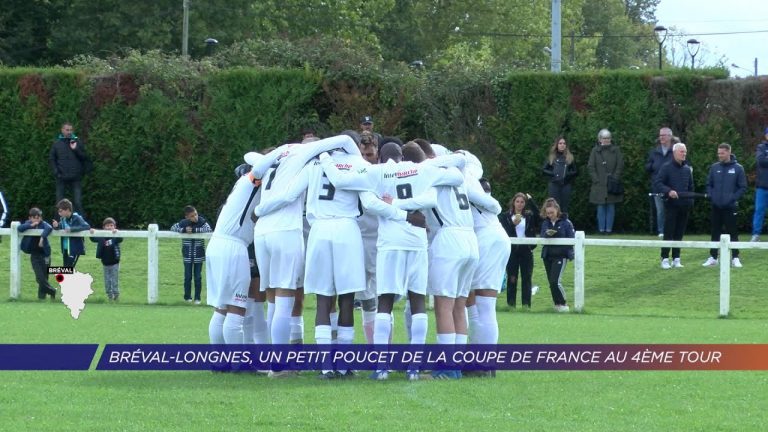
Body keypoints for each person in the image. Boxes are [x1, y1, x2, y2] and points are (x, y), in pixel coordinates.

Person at [206, 152, 265, 346]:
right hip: (233, 247)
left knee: (221, 308)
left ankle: (219, 361)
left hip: (218, 244)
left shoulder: (241, 185)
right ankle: (238, 362)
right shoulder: (253, 182)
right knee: (237, 308)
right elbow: (252, 157)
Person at [703, 143, 747, 268]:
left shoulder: (738, 168)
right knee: (714, 232)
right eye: (718, 153)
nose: (719, 155)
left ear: (728, 152)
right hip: (716, 206)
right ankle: (713, 257)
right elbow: (709, 185)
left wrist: (732, 198)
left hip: (730, 206)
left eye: (722, 153)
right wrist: (712, 196)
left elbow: (742, 187)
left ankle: (735, 258)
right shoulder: (714, 167)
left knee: (733, 232)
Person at [654, 143, 694, 269]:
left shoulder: (687, 169)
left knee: (679, 233)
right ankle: (664, 258)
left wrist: (690, 201)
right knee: (669, 232)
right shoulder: (666, 167)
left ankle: (676, 258)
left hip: (684, 206)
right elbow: (658, 182)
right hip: (671, 205)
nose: (684, 154)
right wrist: (669, 191)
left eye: (685, 152)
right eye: (681, 151)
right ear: (675, 152)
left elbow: (691, 187)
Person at [499, 193, 539, 309]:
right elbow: (504, 231)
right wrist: (513, 224)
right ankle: (511, 305)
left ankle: (526, 306)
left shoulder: (529, 216)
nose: (520, 204)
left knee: (526, 278)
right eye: (517, 201)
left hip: (526, 250)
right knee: (512, 278)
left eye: (522, 202)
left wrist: (531, 201)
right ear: (513, 202)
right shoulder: (505, 216)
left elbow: (539, 217)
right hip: (512, 250)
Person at [171, 206, 212, 304]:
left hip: (199, 254)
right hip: (187, 254)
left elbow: (208, 229)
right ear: (187, 217)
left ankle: (197, 298)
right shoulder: (183, 223)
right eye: (192, 216)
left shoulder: (202, 222)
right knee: (187, 276)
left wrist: (194, 231)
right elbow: (173, 227)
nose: (195, 217)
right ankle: (187, 297)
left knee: (198, 277)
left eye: (196, 214)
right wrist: (184, 230)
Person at [539, 198, 574, 313]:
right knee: (551, 282)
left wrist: (557, 234)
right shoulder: (546, 222)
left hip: (560, 255)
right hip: (548, 255)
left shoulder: (566, 223)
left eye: (552, 213)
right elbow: (542, 234)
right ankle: (557, 304)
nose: (550, 215)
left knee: (555, 281)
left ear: (557, 210)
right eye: (548, 213)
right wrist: (547, 234)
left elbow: (571, 238)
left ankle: (563, 303)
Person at [49, 122, 91, 216]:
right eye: (67, 130)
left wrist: (75, 149)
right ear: (62, 130)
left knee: (77, 202)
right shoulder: (57, 144)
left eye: (71, 130)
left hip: (75, 178)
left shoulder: (77, 142)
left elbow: (85, 158)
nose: (69, 132)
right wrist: (56, 173)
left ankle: (81, 224)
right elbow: (52, 159)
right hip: (61, 177)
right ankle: (57, 225)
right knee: (59, 203)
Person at [587, 129, 624, 234]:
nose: (606, 140)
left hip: (612, 183)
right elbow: (591, 166)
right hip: (599, 184)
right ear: (600, 139)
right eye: (604, 138)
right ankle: (601, 229)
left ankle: (609, 230)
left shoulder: (616, 150)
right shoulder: (595, 151)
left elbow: (620, 165)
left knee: (611, 206)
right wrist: (596, 179)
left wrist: (615, 177)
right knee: (601, 206)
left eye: (608, 138)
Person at [645, 127, 678, 237]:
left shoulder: (675, 151)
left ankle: (672, 230)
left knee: (672, 210)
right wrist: (652, 166)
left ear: (670, 136)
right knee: (660, 211)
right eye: (660, 135)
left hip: (672, 186)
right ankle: (661, 231)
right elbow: (648, 166)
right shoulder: (654, 152)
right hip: (657, 185)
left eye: (663, 135)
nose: (661, 137)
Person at [18, 207, 56, 300]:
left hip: (45, 255)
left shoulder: (43, 224)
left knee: (44, 277)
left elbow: (49, 227)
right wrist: (31, 225)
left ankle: (41, 298)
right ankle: (52, 291)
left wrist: (42, 238)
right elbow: (19, 228)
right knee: (39, 278)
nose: (37, 219)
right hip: (34, 255)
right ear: (30, 218)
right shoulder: (28, 224)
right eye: (34, 217)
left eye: (38, 217)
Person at [89, 217, 123, 301]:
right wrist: (92, 232)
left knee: (114, 280)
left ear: (114, 226)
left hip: (115, 262)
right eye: (107, 226)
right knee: (107, 280)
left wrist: (117, 232)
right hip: (105, 263)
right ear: (104, 227)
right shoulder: (101, 237)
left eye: (111, 225)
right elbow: (93, 238)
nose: (109, 227)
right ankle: (109, 295)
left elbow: (120, 239)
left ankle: (116, 295)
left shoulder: (115, 236)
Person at [542, 137, 577, 214]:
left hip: (565, 185)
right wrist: (553, 174)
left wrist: (568, 175)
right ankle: (554, 223)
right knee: (554, 205)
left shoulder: (570, 157)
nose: (562, 145)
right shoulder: (551, 157)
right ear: (557, 145)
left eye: (564, 143)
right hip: (554, 184)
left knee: (565, 206)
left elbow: (575, 171)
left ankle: (564, 224)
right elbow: (544, 169)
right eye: (560, 143)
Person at [51, 198, 90, 267]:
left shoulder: (77, 217)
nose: (59, 213)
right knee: (66, 270)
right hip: (65, 249)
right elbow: (60, 227)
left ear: (68, 210)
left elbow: (86, 226)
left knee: (69, 269)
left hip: (74, 249)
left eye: (61, 211)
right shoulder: (63, 219)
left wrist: (72, 229)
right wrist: (56, 226)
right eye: (58, 211)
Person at [751, 127, 768, 242]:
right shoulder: (761, 147)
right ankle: (756, 234)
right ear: (766, 135)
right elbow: (761, 161)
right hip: (762, 186)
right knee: (759, 210)